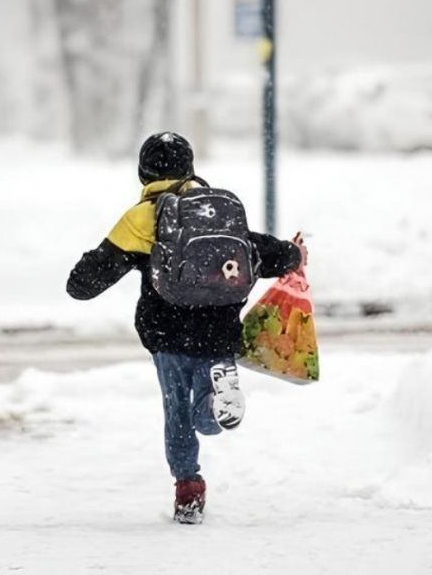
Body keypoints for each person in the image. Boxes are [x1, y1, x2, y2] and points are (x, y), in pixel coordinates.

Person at [66, 131, 307, 524]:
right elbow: (259, 249)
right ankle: (215, 403)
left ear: (143, 173)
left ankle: (188, 490)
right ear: (191, 167)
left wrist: (84, 270)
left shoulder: (142, 217)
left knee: (177, 412)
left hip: (169, 332)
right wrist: (294, 253)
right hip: (220, 328)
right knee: (206, 414)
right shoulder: (218, 209)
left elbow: (84, 284)